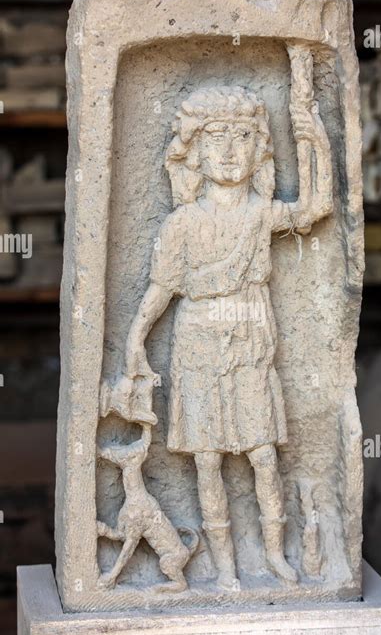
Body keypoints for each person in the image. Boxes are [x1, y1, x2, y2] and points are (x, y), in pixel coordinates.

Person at [110, 84, 332, 589]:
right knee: (207, 462)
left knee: (262, 455)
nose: (229, 151)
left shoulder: (262, 213)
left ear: (258, 150)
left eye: (241, 138)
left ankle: (275, 555)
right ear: (193, 152)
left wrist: (315, 138)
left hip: (251, 342)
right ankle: (226, 566)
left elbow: (316, 208)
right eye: (215, 139)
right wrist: (133, 343)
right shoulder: (182, 223)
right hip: (198, 344)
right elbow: (160, 290)